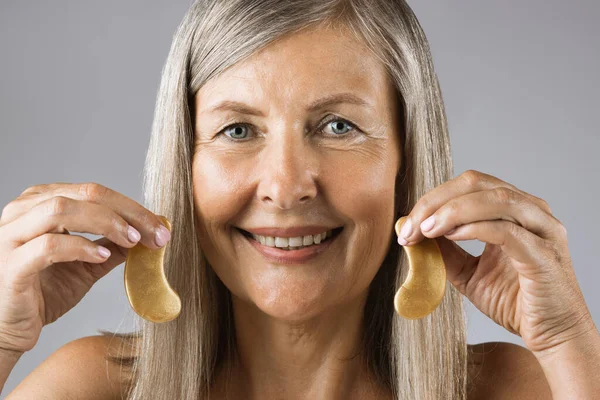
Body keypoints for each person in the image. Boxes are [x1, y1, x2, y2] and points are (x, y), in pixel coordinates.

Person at [1, 0, 599, 399]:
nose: (285, 187)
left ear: (407, 166)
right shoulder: (93, 390)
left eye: (338, 126)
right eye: (238, 130)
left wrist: (567, 342)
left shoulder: (514, 388)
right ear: (184, 166)